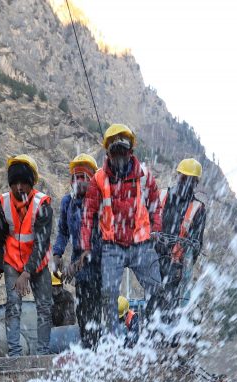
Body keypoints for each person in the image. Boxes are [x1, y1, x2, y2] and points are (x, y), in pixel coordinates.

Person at [79, 124, 162, 340]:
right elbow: (88, 214)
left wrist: (157, 231)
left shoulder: (144, 175)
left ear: (130, 152)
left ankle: (154, 333)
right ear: (108, 153)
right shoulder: (98, 179)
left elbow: (155, 205)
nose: (118, 157)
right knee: (108, 294)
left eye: (122, 152)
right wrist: (85, 246)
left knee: (156, 288)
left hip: (141, 243)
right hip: (112, 246)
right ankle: (112, 339)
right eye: (114, 152)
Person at [0, 155, 54, 356]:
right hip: (12, 263)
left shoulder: (42, 206)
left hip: (38, 263)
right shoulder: (3, 206)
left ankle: (42, 354)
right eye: (14, 183)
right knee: (13, 307)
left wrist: (27, 272)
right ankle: (15, 354)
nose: (19, 188)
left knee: (44, 308)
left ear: (31, 183)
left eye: (23, 183)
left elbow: (41, 244)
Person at [53, 153, 101, 348]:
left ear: (91, 180)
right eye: (74, 177)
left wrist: (78, 264)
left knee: (95, 309)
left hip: (98, 262)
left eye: (82, 177)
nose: (77, 181)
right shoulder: (68, 203)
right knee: (82, 309)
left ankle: (96, 348)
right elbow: (63, 231)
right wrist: (57, 254)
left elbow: (100, 239)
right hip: (78, 261)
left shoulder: (99, 203)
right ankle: (87, 348)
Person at [155, 158, 207, 324]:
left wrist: (184, 260)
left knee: (171, 301)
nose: (187, 182)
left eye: (191, 180)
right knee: (153, 298)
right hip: (153, 256)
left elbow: (196, 242)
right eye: (184, 178)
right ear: (178, 177)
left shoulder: (198, 208)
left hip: (176, 262)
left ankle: (169, 334)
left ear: (196, 183)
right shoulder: (161, 195)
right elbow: (147, 221)